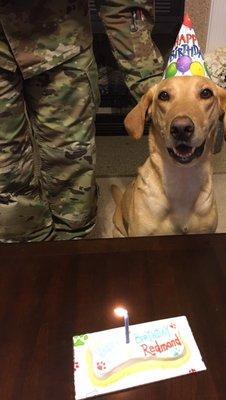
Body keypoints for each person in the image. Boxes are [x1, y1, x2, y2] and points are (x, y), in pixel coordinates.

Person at [0, 0, 164, 242]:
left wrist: (156, 89)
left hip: (61, 40)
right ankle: (29, 257)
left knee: (73, 168)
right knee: (5, 179)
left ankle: (72, 253)